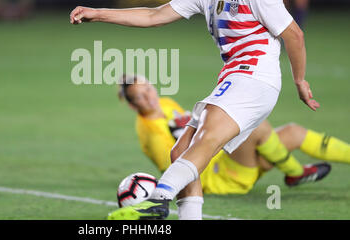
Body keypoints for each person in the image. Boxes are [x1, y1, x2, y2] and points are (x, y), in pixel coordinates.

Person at [70, 0, 320, 220]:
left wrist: (299, 80)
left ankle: (158, 200)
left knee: (204, 141)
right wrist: (98, 13)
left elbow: (294, 35)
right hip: (235, 80)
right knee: (180, 151)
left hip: (254, 79)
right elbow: (153, 15)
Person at [118, 74, 348, 202]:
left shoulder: (166, 104)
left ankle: (301, 171)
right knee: (254, 125)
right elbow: (176, 166)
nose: (149, 97)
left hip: (229, 159)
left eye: (147, 88)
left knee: (293, 132)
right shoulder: (150, 132)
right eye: (140, 96)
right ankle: (296, 173)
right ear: (132, 105)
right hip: (218, 176)